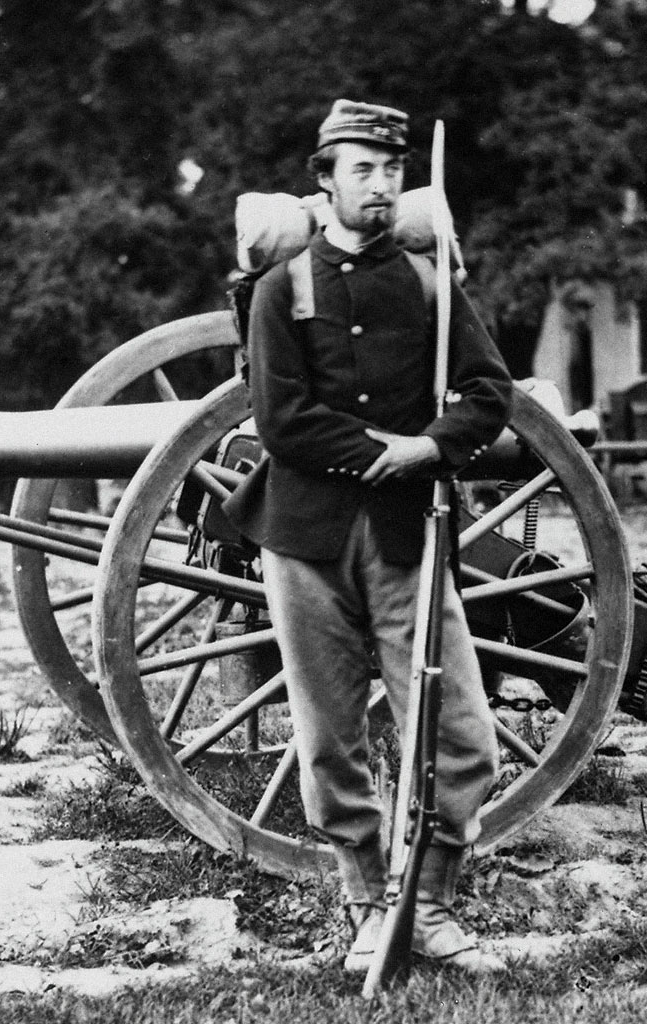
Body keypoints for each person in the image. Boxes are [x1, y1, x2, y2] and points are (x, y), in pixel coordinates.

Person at [223, 99, 512, 974]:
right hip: (305, 538)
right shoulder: (283, 289)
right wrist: (384, 453)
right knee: (329, 738)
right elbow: (282, 420)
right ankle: (365, 911)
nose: (380, 186)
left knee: (462, 734)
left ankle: (429, 909)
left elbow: (488, 393)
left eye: (392, 170)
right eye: (362, 170)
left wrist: (430, 447)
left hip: (405, 534)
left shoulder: (430, 285)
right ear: (326, 182)